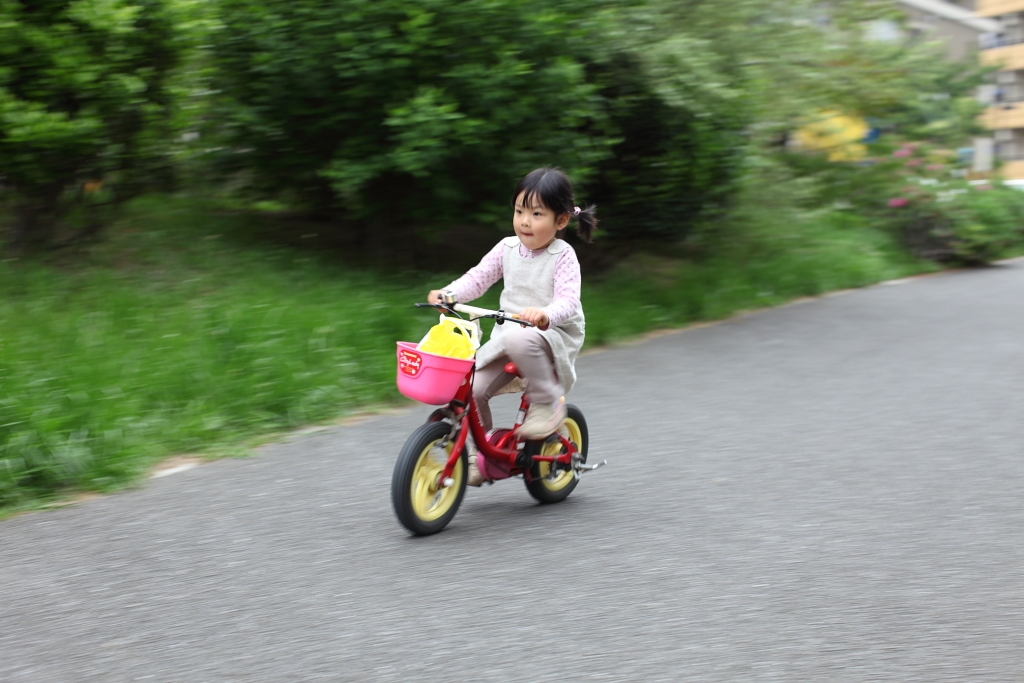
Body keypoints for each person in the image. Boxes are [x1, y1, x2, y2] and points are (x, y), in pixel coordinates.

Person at [427, 167, 596, 485]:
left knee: (521, 338)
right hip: (510, 335)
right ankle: (481, 456)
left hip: (552, 334)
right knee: (472, 389)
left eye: (536, 214)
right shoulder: (506, 248)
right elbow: (478, 278)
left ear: (561, 220)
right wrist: (449, 294)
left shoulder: (563, 256)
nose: (525, 221)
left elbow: (568, 301)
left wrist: (545, 314)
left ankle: (546, 401)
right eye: (519, 211)